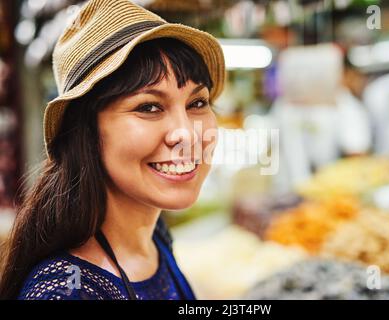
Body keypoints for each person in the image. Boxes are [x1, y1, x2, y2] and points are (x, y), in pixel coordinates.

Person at [0, 0, 225, 300]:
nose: (186, 134)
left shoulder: (153, 236)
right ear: (87, 132)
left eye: (197, 103)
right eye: (149, 107)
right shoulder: (66, 292)